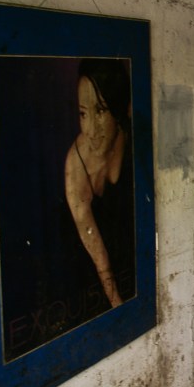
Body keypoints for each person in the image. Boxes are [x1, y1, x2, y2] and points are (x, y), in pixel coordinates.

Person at [64, 58, 134, 308]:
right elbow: (100, 259)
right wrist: (121, 308)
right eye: (83, 114)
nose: (91, 129)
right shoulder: (76, 168)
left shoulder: (130, 137)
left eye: (101, 110)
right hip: (90, 274)